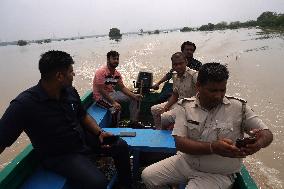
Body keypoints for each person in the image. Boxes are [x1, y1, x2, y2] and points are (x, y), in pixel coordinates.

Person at [0, 50, 133, 189]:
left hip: (81, 139)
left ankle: (125, 185)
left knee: (120, 146)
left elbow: (83, 115)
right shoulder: (24, 104)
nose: (74, 74)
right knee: (98, 183)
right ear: (59, 76)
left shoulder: (69, 91)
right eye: (71, 71)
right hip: (61, 155)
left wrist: (99, 133)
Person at [142, 63, 273, 189]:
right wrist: (212, 147)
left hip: (218, 173)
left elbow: (267, 133)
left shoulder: (239, 108)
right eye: (213, 90)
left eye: (222, 90)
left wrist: (259, 143)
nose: (218, 95)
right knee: (148, 176)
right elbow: (180, 143)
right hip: (186, 162)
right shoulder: (185, 106)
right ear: (198, 86)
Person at [93, 50, 142, 125]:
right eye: (114, 59)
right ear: (108, 60)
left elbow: (122, 87)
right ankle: (115, 129)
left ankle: (133, 122)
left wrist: (134, 95)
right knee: (116, 109)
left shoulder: (117, 74)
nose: (116, 61)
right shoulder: (101, 72)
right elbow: (101, 90)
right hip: (100, 97)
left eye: (117, 59)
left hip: (112, 94)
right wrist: (114, 103)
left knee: (134, 99)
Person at [151, 52, 198, 129]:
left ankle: (172, 132)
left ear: (186, 62)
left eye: (181, 63)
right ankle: (159, 131)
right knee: (154, 109)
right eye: (175, 64)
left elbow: (203, 94)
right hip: (179, 103)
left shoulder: (194, 75)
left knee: (165, 117)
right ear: (172, 65)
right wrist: (165, 108)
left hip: (191, 106)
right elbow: (175, 95)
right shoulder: (174, 75)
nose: (178, 66)